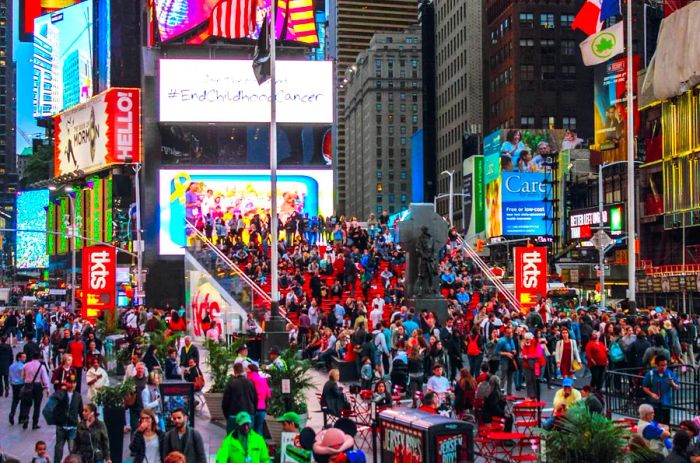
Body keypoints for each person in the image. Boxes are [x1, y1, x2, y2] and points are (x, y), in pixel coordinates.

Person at [641, 356, 680, 425]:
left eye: (665, 365)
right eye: (662, 365)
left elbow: (677, 387)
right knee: (655, 422)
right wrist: (652, 394)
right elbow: (644, 387)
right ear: (656, 365)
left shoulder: (670, 373)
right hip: (654, 403)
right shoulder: (650, 374)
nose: (664, 367)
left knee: (666, 422)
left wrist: (673, 384)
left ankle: (666, 434)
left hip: (666, 403)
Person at [53, 375, 83, 463]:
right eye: (70, 382)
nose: (72, 385)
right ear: (66, 382)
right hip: (61, 426)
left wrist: (83, 423)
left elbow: (80, 411)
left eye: (74, 383)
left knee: (72, 449)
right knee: (59, 448)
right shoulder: (60, 394)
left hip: (72, 426)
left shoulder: (78, 396)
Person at [222, 362, 258, 435]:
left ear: (234, 371)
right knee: (249, 438)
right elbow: (255, 399)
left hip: (234, 414)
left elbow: (225, 402)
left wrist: (227, 415)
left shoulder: (231, 383)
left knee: (233, 438)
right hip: (248, 414)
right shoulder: (250, 383)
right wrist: (253, 412)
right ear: (243, 370)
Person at [19, 351, 50, 430]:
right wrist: (47, 388)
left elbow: (22, 376)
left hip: (27, 385)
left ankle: (25, 417)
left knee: (26, 403)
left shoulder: (26, 365)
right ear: (39, 357)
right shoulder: (41, 366)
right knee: (37, 405)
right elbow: (45, 378)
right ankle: (35, 423)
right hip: (37, 386)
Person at [246, 363, 271, 436]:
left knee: (250, 431)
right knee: (259, 429)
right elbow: (268, 394)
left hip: (251, 409)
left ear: (250, 370)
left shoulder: (248, 380)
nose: (246, 370)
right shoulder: (263, 380)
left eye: (247, 369)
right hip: (262, 408)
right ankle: (259, 446)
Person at [8, 351, 26, 425]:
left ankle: (12, 413)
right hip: (21, 384)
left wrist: (11, 382)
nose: (25, 358)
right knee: (22, 401)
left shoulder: (11, 366)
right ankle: (21, 418)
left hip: (14, 384)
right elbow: (24, 376)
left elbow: (10, 376)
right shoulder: (22, 366)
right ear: (19, 358)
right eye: (23, 357)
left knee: (15, 400)